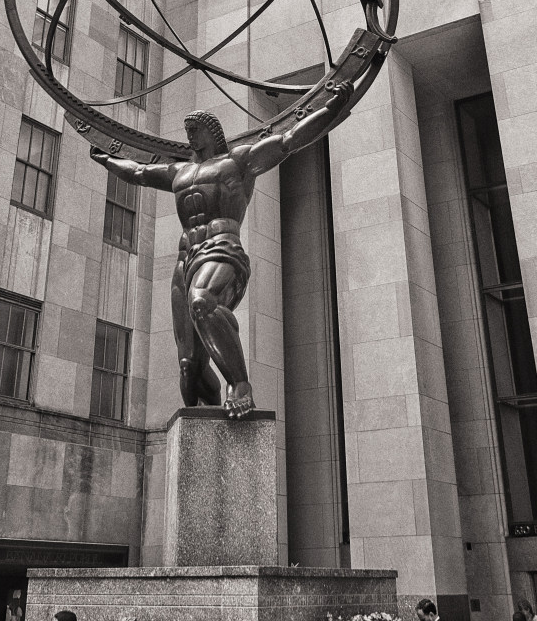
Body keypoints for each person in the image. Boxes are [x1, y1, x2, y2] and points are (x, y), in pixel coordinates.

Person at [91, 83, 352, 416]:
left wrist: (331, 109)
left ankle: (240, 384)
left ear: (211, 131)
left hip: (222, 250)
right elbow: (139, 172)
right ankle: (210, 421)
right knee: (189, 366)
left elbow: (288, 141)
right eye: (187, 132)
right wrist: (105, 158)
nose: (190, 138)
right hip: (185, 261)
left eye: (195, 130)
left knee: (203, 301)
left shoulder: (238, 161)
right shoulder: (179, 172)